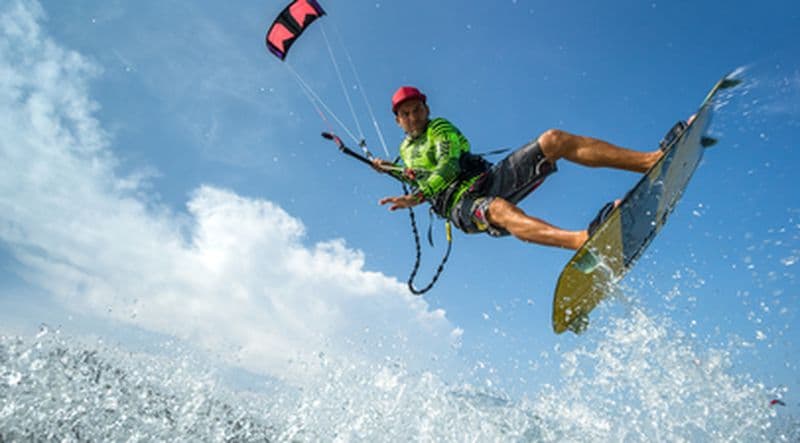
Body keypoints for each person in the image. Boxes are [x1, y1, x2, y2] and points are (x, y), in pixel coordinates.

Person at [371, 86, 667, 250]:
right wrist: (391, 170)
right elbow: (418, 176)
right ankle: (581, 240)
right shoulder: (404, 151)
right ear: (398, 120)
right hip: (460, 205)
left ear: (427, 109)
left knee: (554, 140)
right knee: (498, 210)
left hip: (486, 179)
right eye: (405, 114)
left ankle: (648, 161)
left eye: (417, 110)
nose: (413, 117)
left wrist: (418, 197)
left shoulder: (439, 128)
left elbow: (447, 165)